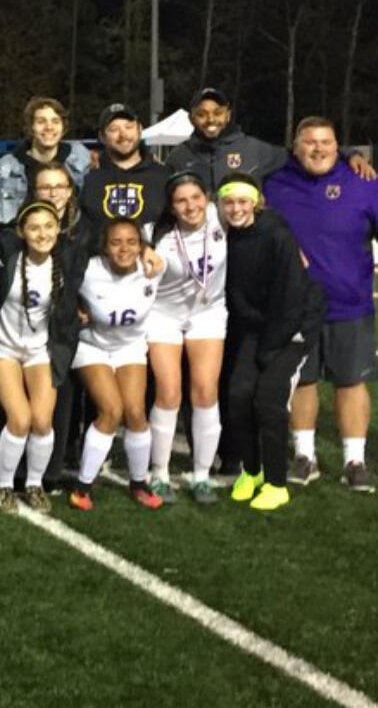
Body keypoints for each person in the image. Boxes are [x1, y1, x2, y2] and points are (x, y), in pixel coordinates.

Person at [264, 116, 378, 491]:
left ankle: (354, 460)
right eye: (309, 142)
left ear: (337, 146)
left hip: (351, 303)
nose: (318, 149)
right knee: (304, 381)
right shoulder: (276, 183)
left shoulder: (364, 183)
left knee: (351, 381)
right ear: (295, 146)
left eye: (326, 142)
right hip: (295, 305)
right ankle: (304, 456)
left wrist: (352, 157)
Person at [217, 173, 323, 511]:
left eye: (242, 201)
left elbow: (291, 295)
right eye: (229, 202)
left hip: (291, 330)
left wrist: (272, 346)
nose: (235, 208)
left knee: (268, 400)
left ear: (256, 202)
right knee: (237, 395)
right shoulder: (227, 239)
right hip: (256, 329)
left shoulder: (277, 235)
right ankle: (253, 470)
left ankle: (277, 484)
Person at [0, 201, 82, 513]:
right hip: (1, 346)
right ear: (21, 231)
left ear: (58, 229)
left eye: (49, 226)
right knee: (19, 419)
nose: (42, 233)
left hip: (39, 349)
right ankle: (4, 486)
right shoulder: (5, 254)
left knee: (43, 421)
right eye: (33, 227)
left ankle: (34, 483)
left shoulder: (68, 259)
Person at [68, 218, 163, 511]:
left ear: (142, 245)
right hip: (92, 346)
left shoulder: (154, 268)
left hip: (130, 347)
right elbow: (61, 289)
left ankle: (139, 482)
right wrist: (74, 309)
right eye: (116, 242)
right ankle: (83, 487)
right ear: (104, 247)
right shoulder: (89, 270)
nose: (124, 249)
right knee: (111, 410)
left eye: (131, 242)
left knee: (135, 411)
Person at [145, 172, 228, 506]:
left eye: (196, 197)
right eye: (181, 200)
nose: (190, 206)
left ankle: (202, 475)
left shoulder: (221, 216)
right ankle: (160, 472)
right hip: (163, 315)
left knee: (206, 390)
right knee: (168, 391)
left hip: (207, 313)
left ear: (206, 197)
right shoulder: (155, 234)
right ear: (171, 205)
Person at [166, 87, 374, 190]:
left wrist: (349, 154)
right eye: (202, 114)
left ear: (228, 114)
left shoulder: (255, 150)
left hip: (244, 243)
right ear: (192, 118)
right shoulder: (178, 157)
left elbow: (302, 155)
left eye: (218, 112)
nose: (211, 119)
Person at [0, 97, 92, 225]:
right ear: (30, 127)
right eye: (41, 121)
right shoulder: (8, 167)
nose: (49, 127)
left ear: (63, 128)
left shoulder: (80, 157)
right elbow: (4, 220)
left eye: (55, 121)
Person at [79, 103, 170, 231]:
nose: (123, 135)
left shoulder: (164, 176)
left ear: (139, 129)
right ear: (102, 136)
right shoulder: (90, 180)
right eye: (114, 129)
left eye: (128, 127)